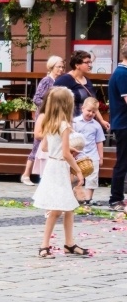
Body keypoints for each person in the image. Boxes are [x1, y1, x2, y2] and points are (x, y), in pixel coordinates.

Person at [32, 88, 88, 258]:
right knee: (57, 209)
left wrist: (64, 147)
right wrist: (79, 171)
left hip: (52, 166)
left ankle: (69, 243)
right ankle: (44, 245)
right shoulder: (64, 125)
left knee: (68, 206)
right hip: (60, 167)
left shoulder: (51, 123)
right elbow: (65, 154)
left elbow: (45, 147)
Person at [21, 56, 65, 185]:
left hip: (56, 116)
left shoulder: (61, 81)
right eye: (59, 67)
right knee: (38, 144)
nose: (61, 69)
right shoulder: (47, 80)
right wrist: (49, 107)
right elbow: (37, 98)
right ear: (52, 67)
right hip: (44, 116)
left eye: (63, 67)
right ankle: (26, 174)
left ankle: (46, 175)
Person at [54, 51, 109, 130]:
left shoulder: (88, 81)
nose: (90, 65)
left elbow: (93, 104)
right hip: (71, 124)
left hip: (88, 124)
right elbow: (53, 102)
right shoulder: (64, 80)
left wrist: (101, 120)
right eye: (86, 62)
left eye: (90, 62)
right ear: (77, 65)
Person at [73, 97, 105, 212]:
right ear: (82, 108)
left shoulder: (96, 125)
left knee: (92, 177)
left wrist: (101, 157)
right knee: (76, 177)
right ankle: (76, 197)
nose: (91, 113)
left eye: (94, 112)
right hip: (78, 154)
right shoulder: (75, 122)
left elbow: (99, 141)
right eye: (89, 110)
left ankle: (88, 198)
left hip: (92, 156)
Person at [108, 44, 127, 212]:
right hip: (124, 124)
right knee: (122, 162)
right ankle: (116, 198)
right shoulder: (122, 74)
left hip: (122, 123)